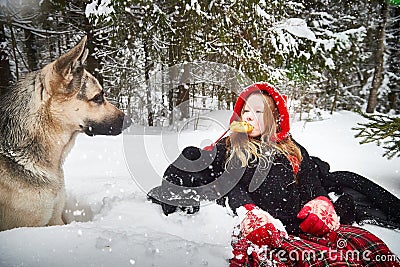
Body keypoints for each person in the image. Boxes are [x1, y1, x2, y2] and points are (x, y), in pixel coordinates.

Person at [148, 82, 400, 266]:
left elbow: (310, 175)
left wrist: (320, 201)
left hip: (304, 226)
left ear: (275, 119)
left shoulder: (292, 148)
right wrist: (247, 210)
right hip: (270, 232)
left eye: (259, 112)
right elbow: (223, 184)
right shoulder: (229, 148)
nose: (249, 116)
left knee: (370, 252)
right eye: (246, 110)